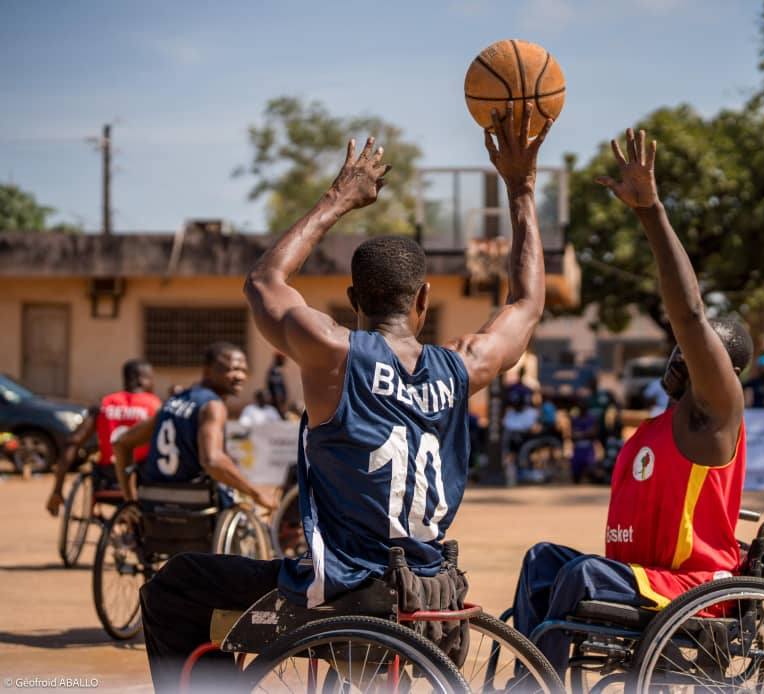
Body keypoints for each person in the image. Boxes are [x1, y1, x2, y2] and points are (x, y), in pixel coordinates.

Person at [138, 103, 552, 690]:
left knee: (175, 586)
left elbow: (263, 282)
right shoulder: (464, 365)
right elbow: (528, 302)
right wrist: (520, 187)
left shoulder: (335, 353)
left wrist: (341, 197)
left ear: (354, 298)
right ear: (424, 301)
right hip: (431, 587)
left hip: (350, 590)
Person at [511, 127, 752, 673]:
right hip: (640, 575)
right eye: (678, 348)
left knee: (579, 577)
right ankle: (523, 677)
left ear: (722, 369)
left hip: (691, 588)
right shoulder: (664, 422)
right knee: (542, 561)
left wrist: (651, 213)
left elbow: (689, 313)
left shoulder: (715, 414)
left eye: (691, 350)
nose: (678, 353)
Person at [112, 342, 277, 514]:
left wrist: (130, 500)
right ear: (207, 370)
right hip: (195, 507)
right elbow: (212, 461)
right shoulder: (212, 406)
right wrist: (257, 493)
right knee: (241, 500)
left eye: (244, 370)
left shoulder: (172, 403)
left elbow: (121, 443)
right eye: (233, 369)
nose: (240, 376)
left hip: (154, 505)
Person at [45, 359, 160, 516]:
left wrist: (57, 490)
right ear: (141, 379)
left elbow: (73, 442)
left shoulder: (104, 404)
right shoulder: (155, 406)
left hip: (108, 480)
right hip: (142, 481)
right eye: (152, 378)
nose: (154, 383)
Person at [266, 352, 288, 419]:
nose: (285, 362)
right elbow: (277, 389)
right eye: (283, 360)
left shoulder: (275, 370)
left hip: (277, 402)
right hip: (277, 403)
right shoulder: (275, 371)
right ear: (279, 359)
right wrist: (280, 404)